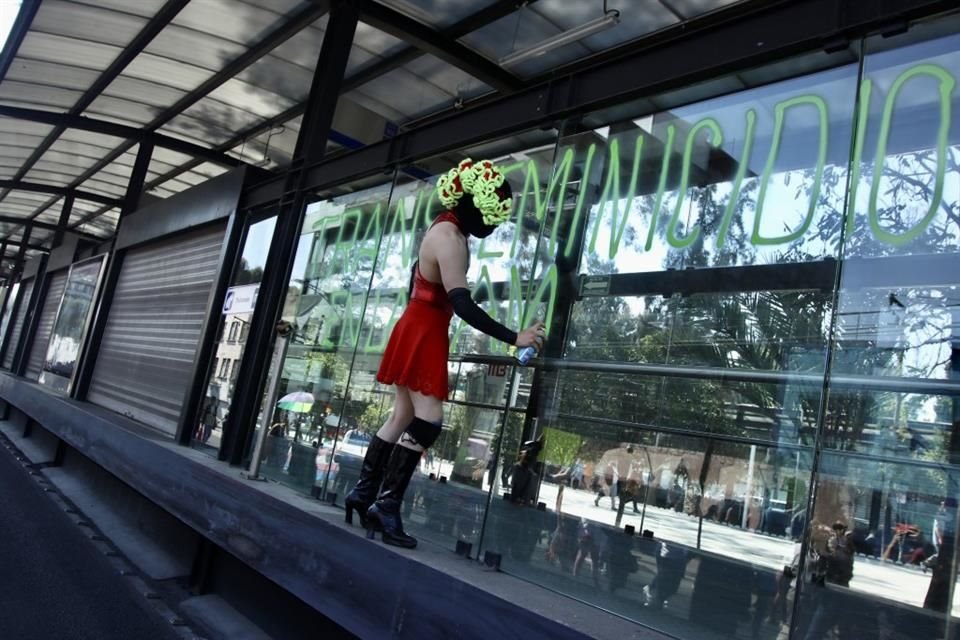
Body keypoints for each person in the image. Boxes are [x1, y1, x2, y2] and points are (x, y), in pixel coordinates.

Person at [342, 159, 544, 549]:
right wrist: (513, 336)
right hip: (425, 328)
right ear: (474, 204)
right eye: (492, 214)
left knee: (401, 415)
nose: (494, 224)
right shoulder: (450, 238)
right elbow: (462, 304)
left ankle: (363, 493)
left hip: (418, 324)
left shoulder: (444, 228)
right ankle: (385, 504)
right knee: (428, 420)